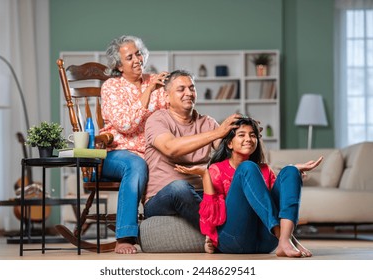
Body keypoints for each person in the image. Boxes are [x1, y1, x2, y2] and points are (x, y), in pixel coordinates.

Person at [175, 116, 323, 257]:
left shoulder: (265, 170)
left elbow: (275, 201)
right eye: (241, 135)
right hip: (234, 240)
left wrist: (292, 174)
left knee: (291, 170)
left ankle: (285, 240)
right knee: (248, 168)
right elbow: (211, 215)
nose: (248, 139)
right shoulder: (217, 169)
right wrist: (210, 238)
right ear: (229, 143)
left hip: (266, 243)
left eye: (253, 135)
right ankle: (286, 238)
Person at [143, 69, 241, 229]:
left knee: (234, 188)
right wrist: (217, 133)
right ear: (167, 96)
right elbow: (170, 148)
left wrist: (245, 133)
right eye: (181, 89)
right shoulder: (157, 119)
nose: (188, 93)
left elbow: (227, 153)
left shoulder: (207, 123)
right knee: (179, 187)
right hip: (162, 197)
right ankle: (220, 235)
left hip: (202, 193)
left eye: (192, 88)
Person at [99, 35, 169, 254]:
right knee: (136, 165)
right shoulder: (112, 87)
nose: (137, 59)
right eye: (129, 57)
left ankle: (167, 233)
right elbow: (126, 124)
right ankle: (125, 236)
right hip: (116, 154)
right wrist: (149, 92)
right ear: (119, 65)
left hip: (150, 153)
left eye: (138, 53)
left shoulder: (155, 81)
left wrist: (175, 88)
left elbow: (173, 115)